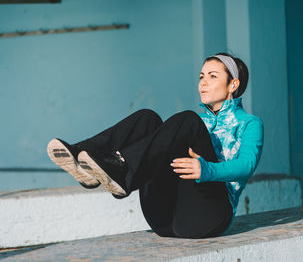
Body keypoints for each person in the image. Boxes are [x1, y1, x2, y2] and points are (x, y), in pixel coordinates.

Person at [47, 53, 264, 238]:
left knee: (188, 120)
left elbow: (246, 165)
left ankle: (122, 168)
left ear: (232, 85)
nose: (203, 83)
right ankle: (82, 156)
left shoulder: (249, 123)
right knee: (147, 118)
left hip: (206, 218)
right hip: (163, 218)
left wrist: (206, 169)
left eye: (212, 76)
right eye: (201, 77)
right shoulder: (196, 123)